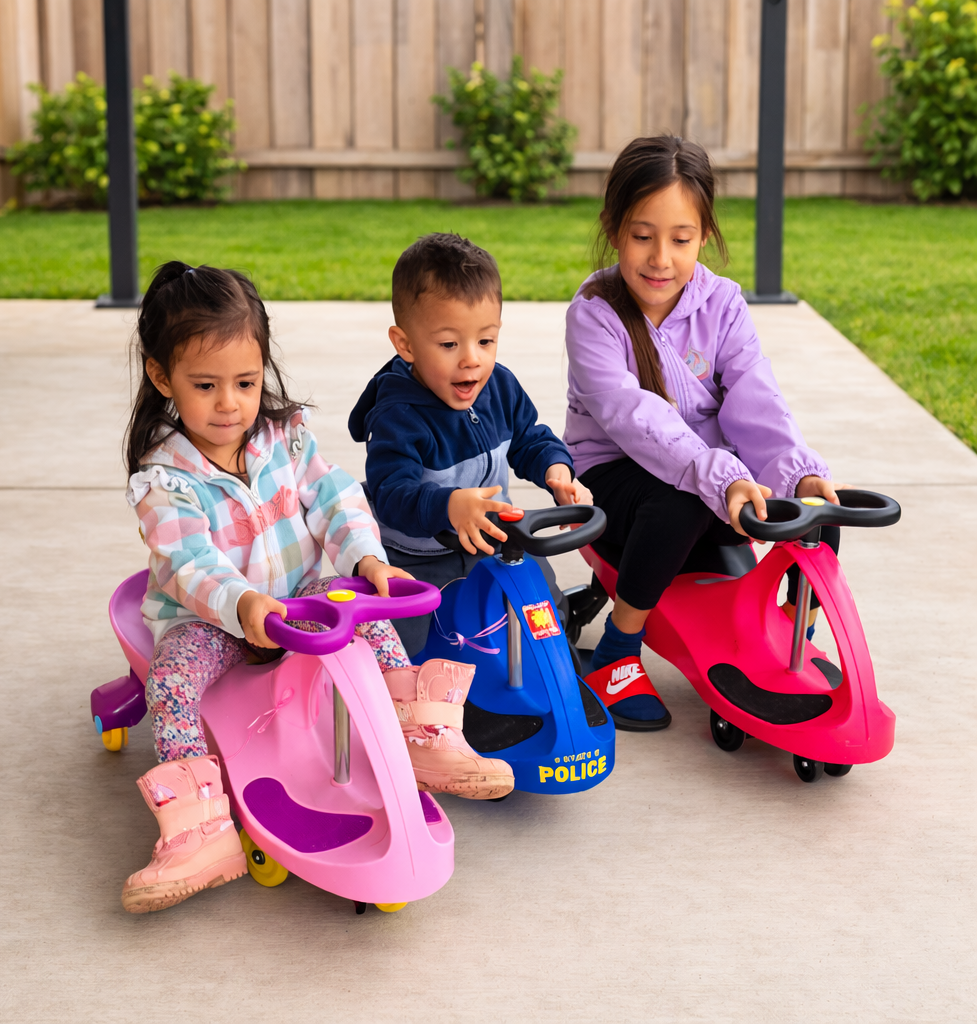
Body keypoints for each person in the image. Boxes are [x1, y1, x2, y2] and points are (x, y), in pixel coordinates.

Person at [120, 262, 510, 916]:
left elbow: (335, 499)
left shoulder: (284, 435)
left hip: (303, 603)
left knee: (367, 617)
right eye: (206, 385)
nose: (229, 404)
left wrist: (367, 562)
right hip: (217, 624)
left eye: (245, 383)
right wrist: (242, 605)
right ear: (164, 379)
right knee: (172, 680)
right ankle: (201, 831)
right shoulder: (166, 477)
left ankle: (420, 737)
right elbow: (185, 560)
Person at [565, 135, 839, 732]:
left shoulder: (724, 303)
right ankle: (617, 649)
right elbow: (632, 417)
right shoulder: (594, 312)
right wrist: (721, 474)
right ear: (614, 229)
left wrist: (795, 469)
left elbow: (753, 394)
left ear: (705, 235)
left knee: (817, 511)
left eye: (680, 239)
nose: (660, 257)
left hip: (717, 478)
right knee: (680, 497)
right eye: (642, 236)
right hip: (617, 479)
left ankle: (795, 633)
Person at [348, 232, 593, 657]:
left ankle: (551, 656)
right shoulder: (397, 416)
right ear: (405, 344)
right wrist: (449, 506)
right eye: (449, 344)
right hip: (418, 554)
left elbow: (530, 437)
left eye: (486, 340)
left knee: (543, 595)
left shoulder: (498, 386)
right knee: (405, 639)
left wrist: (557, 470)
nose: (471, 359)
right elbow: (392, 494)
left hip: (494, 537)